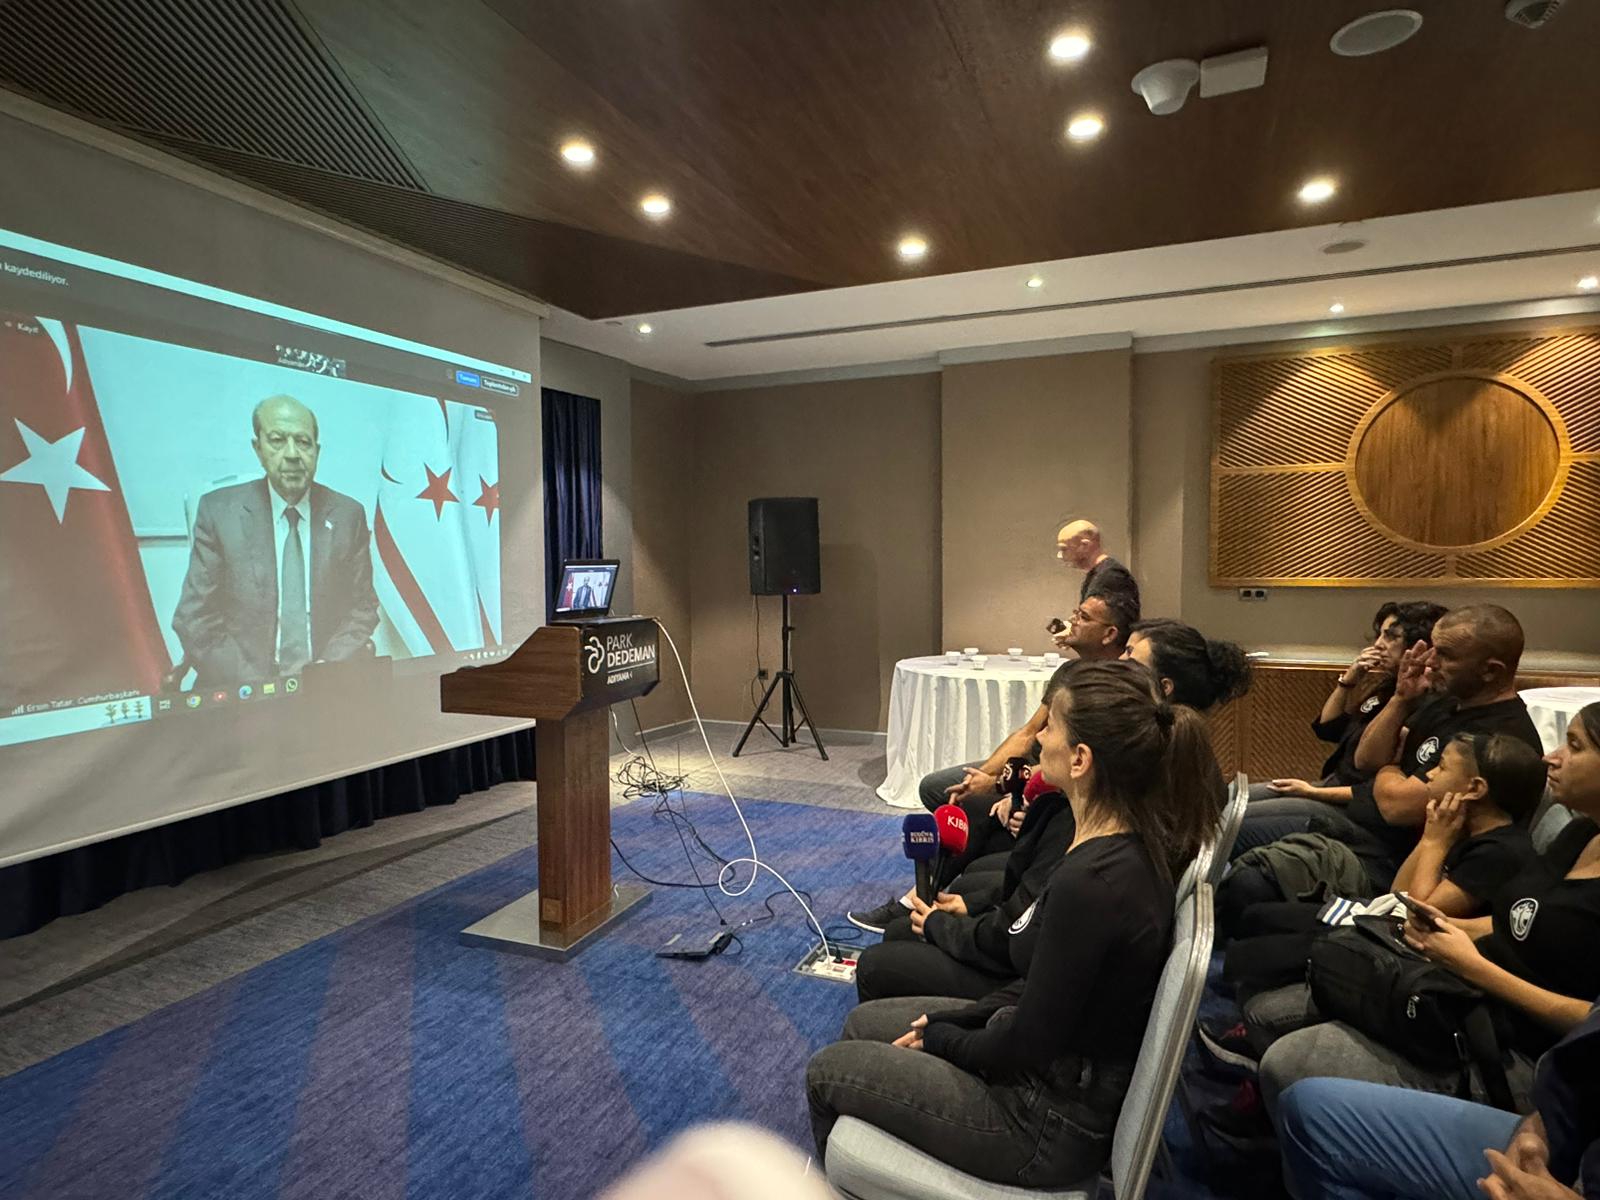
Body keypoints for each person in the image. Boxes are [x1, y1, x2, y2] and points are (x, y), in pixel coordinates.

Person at [805, 659, 1222, 1188]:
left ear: (1080, 759)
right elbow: (1037, 991)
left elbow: (1026, 1042)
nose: (1038, 736)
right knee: (867, 1025)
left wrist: (946, 1039)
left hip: (1041, 1125)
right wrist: (962, 1019)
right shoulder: (1119, 846)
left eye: (1052, 727)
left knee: (825, 1072)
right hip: (1056, 1080)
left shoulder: (1092, 882)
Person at [1272, 707, 1600, 1200]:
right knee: (1303, 982)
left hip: (1520, 1048)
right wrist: (1454, 930)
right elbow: (1524, 919)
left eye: (1574, 747)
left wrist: (1476, 967)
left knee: (1291, 1060)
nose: (1551, 757)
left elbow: (1590, 1022)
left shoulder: (1507, 848)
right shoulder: (1579, 833)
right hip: (1470, 996)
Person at [849, 620, 1248, 1000]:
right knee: (967, 879)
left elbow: (1024, 946)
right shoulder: (1136, 781)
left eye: (1130, 655)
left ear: (1081, 757)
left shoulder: (1102, 834)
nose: (1040, 737)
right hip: (1038, 962)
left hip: (1027, 981)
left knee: (884, 959)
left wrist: (945, 1026)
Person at [1229, 605, 1542, 881]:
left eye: (1445, 655)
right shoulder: (1444, 702)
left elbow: (1397, 807)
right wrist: (1401, 699)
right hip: (1362, 821)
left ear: (1490, 671)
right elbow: (1365, 760)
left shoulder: (1499, 737)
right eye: (1432, 649)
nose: (1430, 662)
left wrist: (1391, 766)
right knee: (1227, 818)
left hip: (1391, 859)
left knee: (1236, 841)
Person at [1276, 993, 1600, 1200]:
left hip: (1504, 1036)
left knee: (1292, 1059)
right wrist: (1543, 1126)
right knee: (1308, 1108)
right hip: (1573, 1139)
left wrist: (1473, 966)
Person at [173, 395, 378, 686]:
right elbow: (195, 618)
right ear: (258, 448)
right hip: (243, 686)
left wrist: (324, 670)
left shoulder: (347, 515)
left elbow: (363, 608)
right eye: (278, 440)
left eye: (303, 442)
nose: (292, 454)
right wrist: (261, 688)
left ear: (317, 451)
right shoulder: (219, 513)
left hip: (322, 682)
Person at [915, 590, 1138, 812]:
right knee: (935, 787)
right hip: (1028, 766)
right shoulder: (1069, 670)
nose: (1072, 621)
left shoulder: (1114, 690)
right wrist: (980, 777)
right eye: (1076, 613)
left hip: (1056, 779)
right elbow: (1028, 733)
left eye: (1084, 617)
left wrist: (997, 784)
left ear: (1109, 634)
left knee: (965, 806)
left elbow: (1070, 764)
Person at [1251, 601, 1448, 802]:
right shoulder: (1387, 687)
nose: (1378, 644)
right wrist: (1348, 681)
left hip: (1355, 802)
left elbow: (1377, 784)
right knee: (1238, 796)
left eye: (1391, 637)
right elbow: (1328, 729)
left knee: (1245, 814)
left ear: (1421, 644)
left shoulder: (1425, 701)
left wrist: (1312, 793)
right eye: (1379, 635)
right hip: (1332, 784)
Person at [1053, 518, 1139, 616]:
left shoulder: (1111, 576)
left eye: (1064, 549)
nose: (1060, 556)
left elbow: (1111, 620)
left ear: (1085, 545)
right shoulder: (1101, 574)